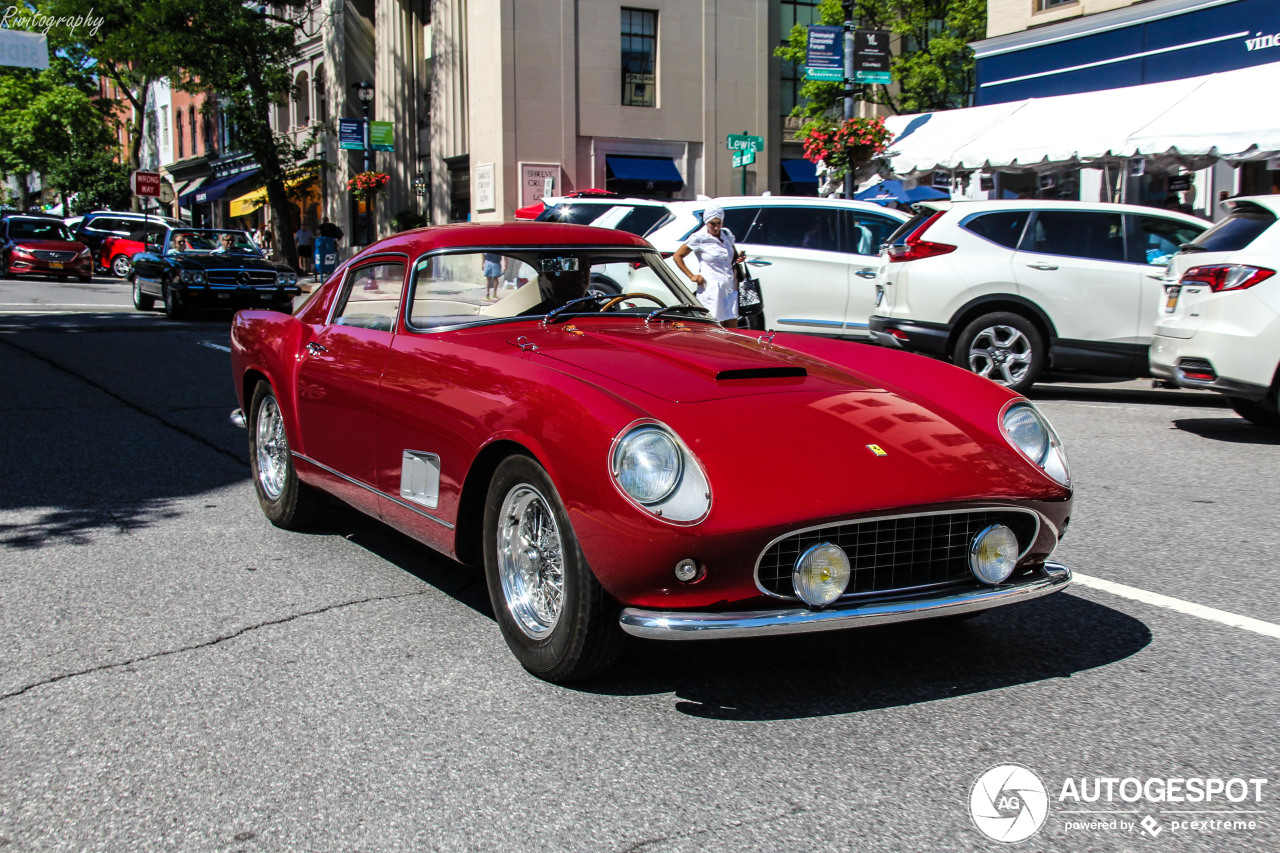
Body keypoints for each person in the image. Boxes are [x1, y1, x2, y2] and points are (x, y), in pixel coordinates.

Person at [672, 205, 744, 328]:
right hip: (712, 288)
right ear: (706, 222)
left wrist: (739, 258)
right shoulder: (699, 238)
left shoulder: (726, 234)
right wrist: (692, 276)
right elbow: (677, 256)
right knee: (717, 325)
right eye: (712, 224)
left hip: (729, 286)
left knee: (732, 326)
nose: (716, 227)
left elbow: (732, 256)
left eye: (718, 223)